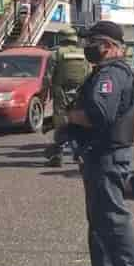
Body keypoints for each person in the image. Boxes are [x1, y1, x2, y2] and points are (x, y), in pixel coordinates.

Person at [66, 20, 134, 266]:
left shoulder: (111, 75)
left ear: (111, 47)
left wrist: (69, 117)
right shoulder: (106, 72)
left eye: (94, 44)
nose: (88, 49)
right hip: (99, 153)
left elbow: (99, 115)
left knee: (112, 217)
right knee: (98, 214)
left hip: (108, 154)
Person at [45, 26, 90, 167]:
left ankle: (58, 155)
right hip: (79, 93)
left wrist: (47, 92)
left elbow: (48, 77)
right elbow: (89, 73)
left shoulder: (55, 54)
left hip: (61, 93)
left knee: (61, 124)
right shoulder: (84, 54)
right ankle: (79, 154)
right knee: (78, 123)